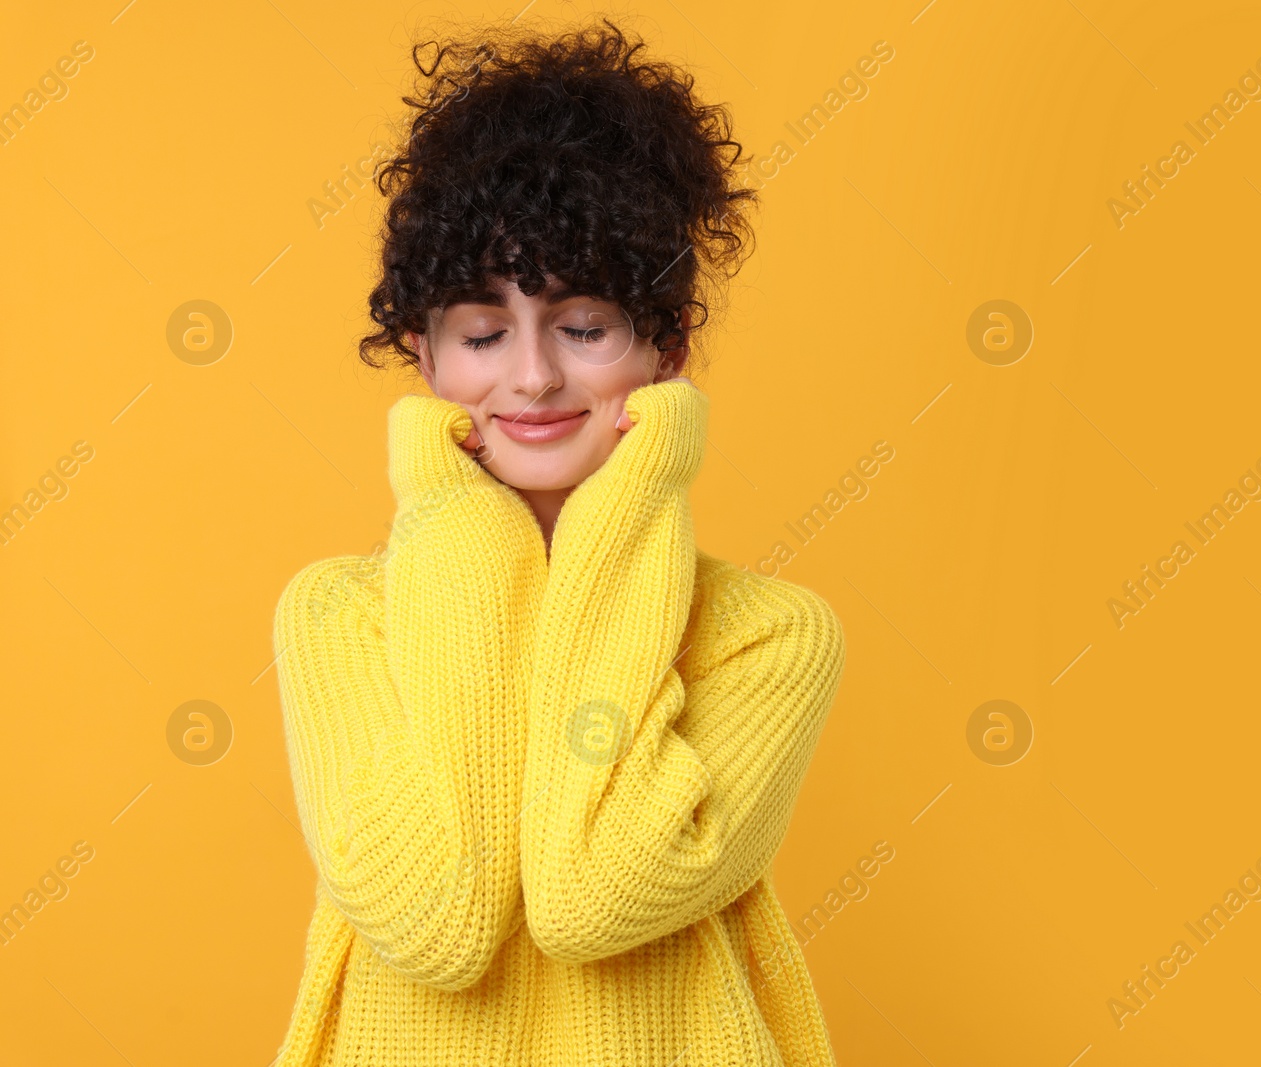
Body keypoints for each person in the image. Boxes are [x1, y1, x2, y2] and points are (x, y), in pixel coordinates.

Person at [268, 17, 847, 1066]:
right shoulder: (340, 615)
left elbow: (590, 894)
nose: (531, 379)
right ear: (425, 355)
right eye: (482, 333)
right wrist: (463, 526)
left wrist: (624, 514)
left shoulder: (768, 638)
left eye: (584, 327)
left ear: (665, 346)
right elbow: (432, 921)